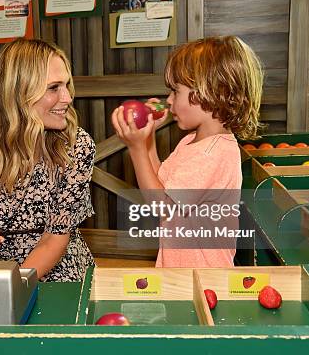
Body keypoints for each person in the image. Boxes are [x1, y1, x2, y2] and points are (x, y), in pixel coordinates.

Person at [111, 36, 263, 268]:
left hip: (201, 278)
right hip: (181, 272)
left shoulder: (210, 154)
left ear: (209, 93)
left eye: (175, 91)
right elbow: (162, 185)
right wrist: (148, 138)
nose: (169, 101)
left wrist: (137, 148)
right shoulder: (194, 142)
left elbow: (161, 206)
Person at [0, 38, 96, 282]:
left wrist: (15, 288)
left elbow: (55, 238)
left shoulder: (76, 146)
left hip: (57, 262)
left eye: (66, 86)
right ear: (18, 94)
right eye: (53, 88)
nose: (67, 98)